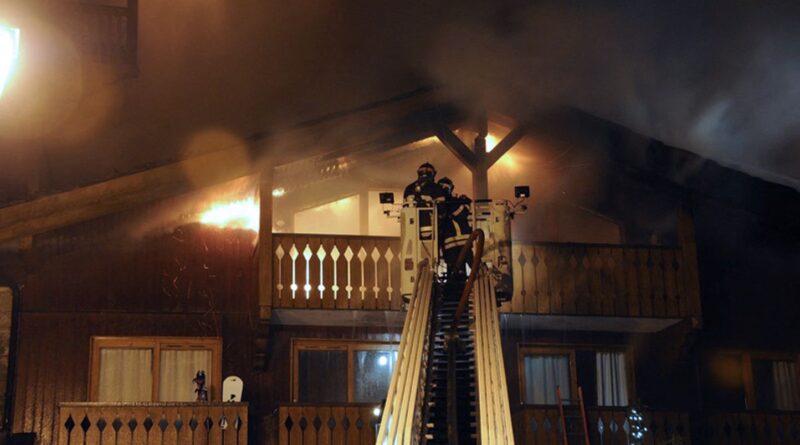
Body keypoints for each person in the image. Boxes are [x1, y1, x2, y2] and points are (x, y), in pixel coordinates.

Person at [437, 177, 473, 276]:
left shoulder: (443, 205)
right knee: (461, 270)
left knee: (455, 272)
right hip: (462, 242)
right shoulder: (458, 202)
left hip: (454, 243)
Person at [403, 163, 445, 240]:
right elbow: (442, 210)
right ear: (433, 174)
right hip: (430, 230)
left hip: (410, 229)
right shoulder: (436, 188)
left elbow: (404, 209)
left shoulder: (409, 188)